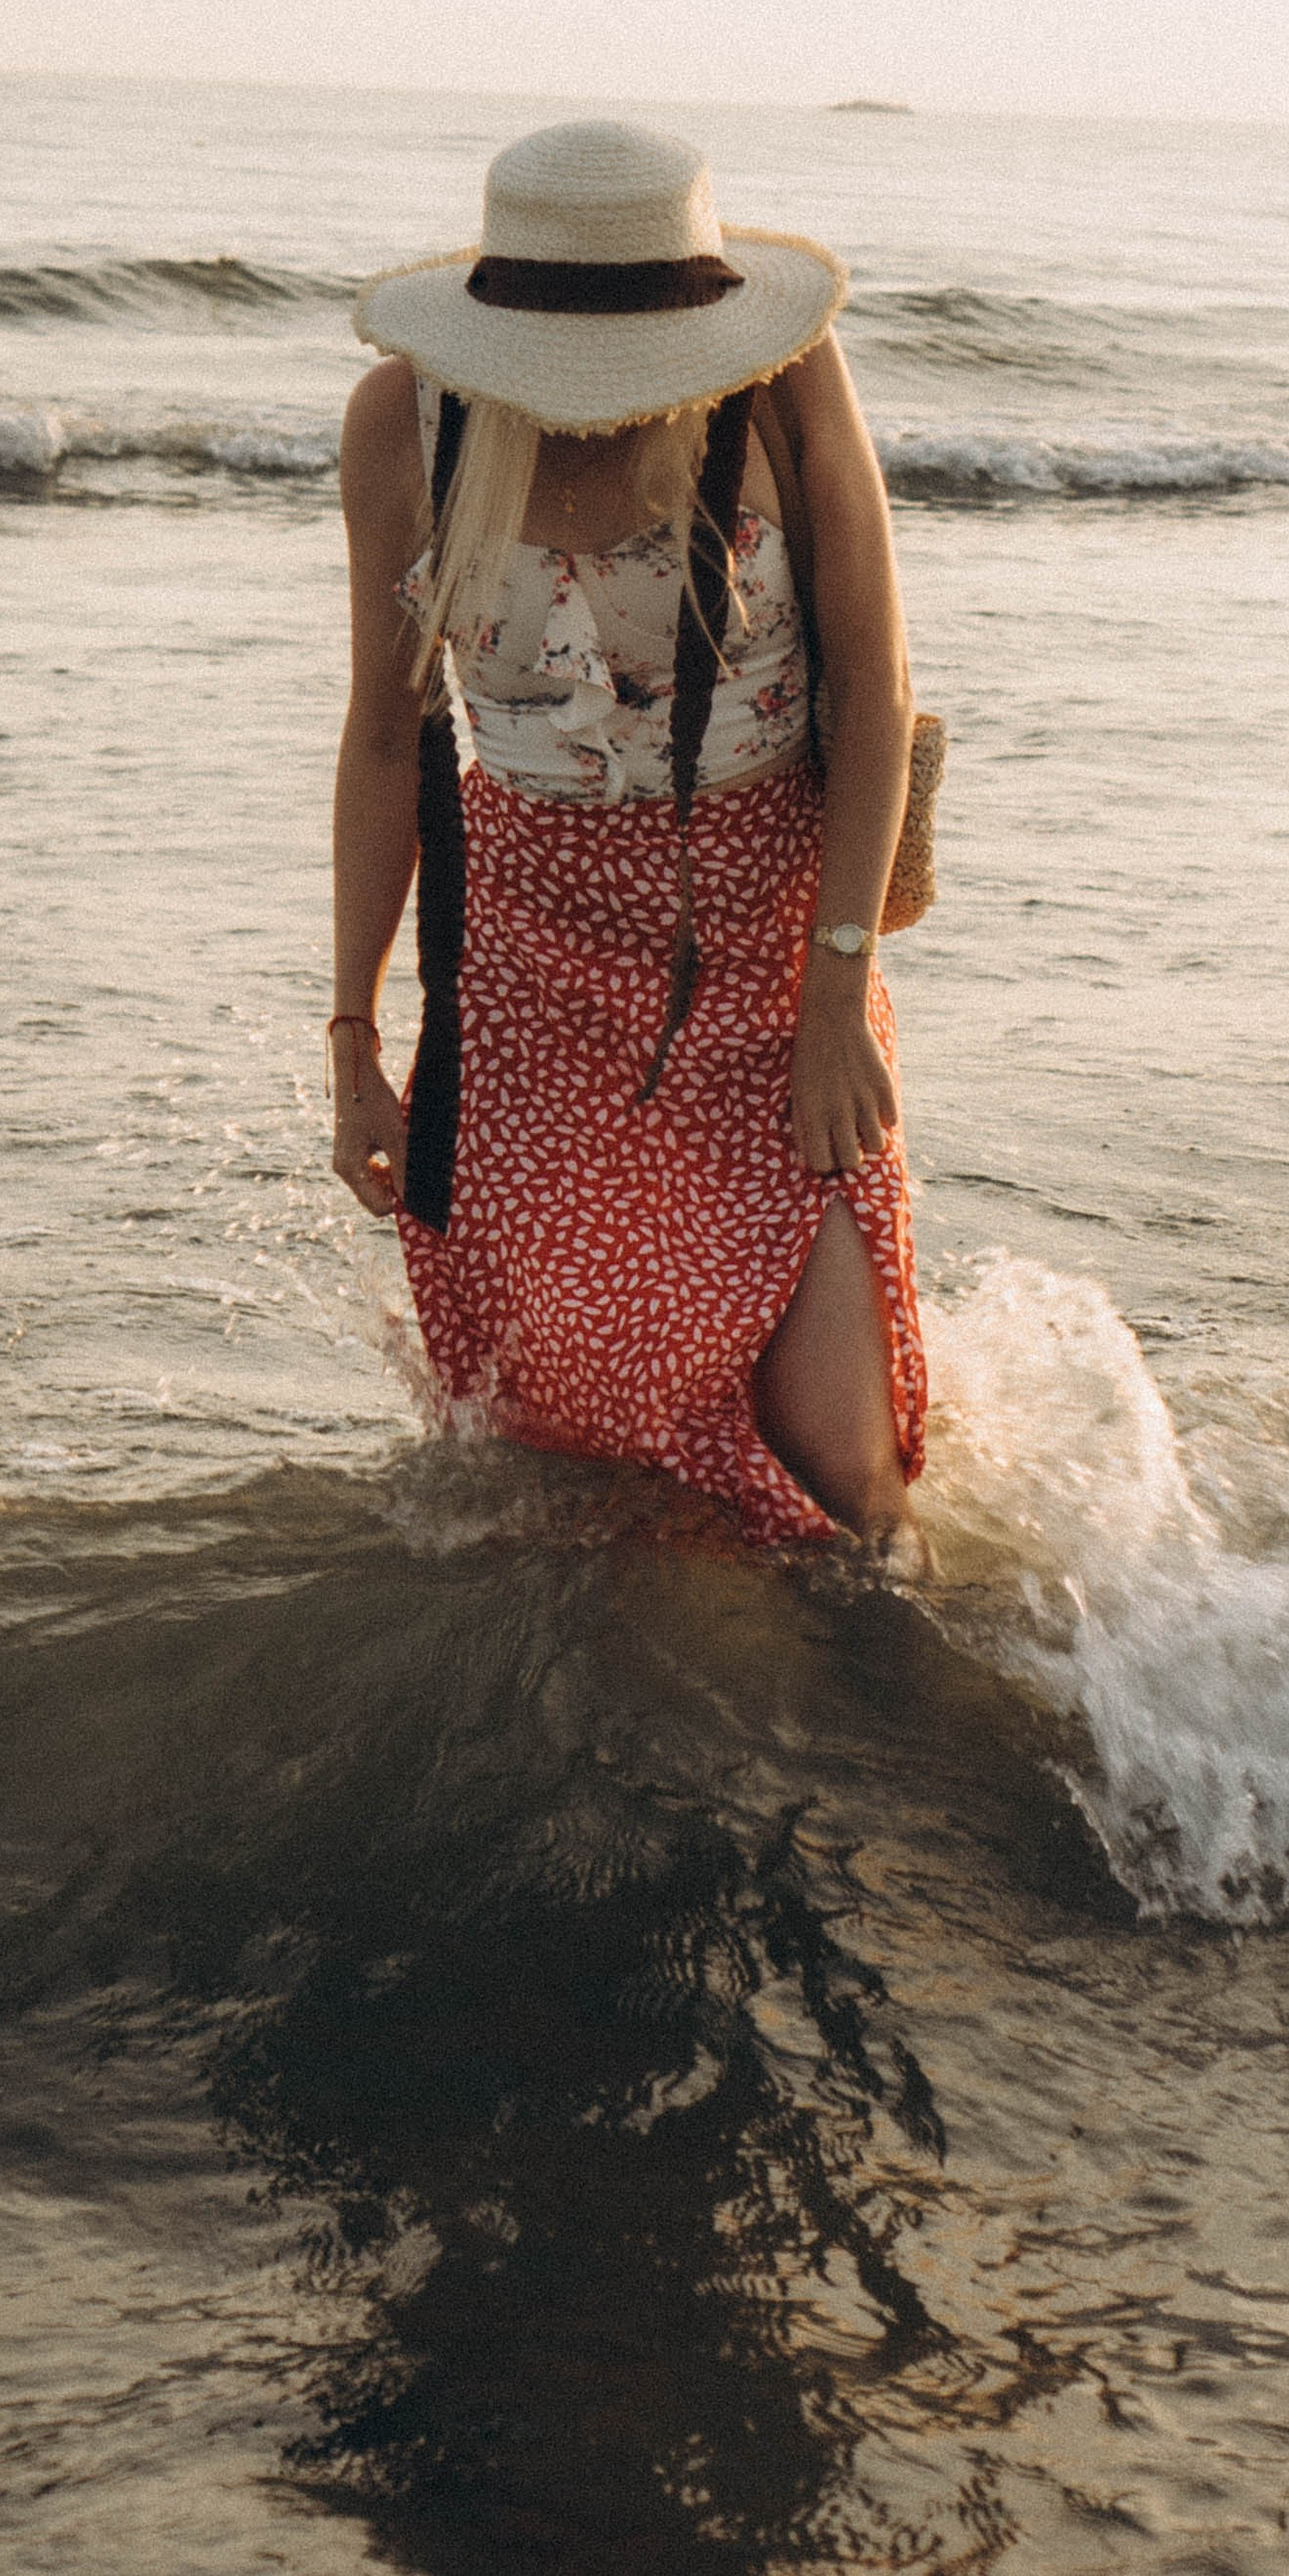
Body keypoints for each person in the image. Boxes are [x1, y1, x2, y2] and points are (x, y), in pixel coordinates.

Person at [326, 118, 926, 1549]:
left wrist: (835, 994)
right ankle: (649, 1719)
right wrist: (351, 1041)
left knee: (849, 1459)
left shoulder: (783, 390)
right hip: (529, 953)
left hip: (779, 938)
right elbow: (384, 737)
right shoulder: (401, 426)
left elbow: (880, 687)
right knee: (584, 1427)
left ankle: (920, 1723)